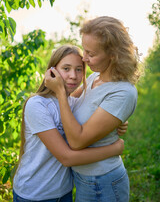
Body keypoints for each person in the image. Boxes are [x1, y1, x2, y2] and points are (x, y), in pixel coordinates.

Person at [13, 45, 126, 202]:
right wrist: (115, 148)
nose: (73, 75)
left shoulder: (73, 104)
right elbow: (66, 158)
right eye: (66, 68)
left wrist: (119, 122)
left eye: (79, 69)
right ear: (52, 72)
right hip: (34, 194)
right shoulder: (38, 105)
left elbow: (100, 115)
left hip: (64, 192)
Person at [44, 16, 140, 202]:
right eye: (84, 50)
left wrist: (61, 94)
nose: (83, 58)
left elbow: (77, 141)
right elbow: (73, 105)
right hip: (84, 178)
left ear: (113, 54)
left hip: (102, 181)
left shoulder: (123, 92)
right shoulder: (95, 77)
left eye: (91, 53)